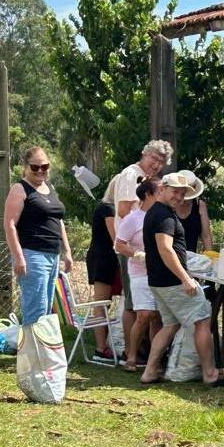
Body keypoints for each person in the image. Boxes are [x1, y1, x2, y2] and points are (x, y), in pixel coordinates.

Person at [139, 172, 224, 387]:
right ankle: (210, 373)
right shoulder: (164, 216)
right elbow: (166, 250)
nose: (179, 197)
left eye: (182, 193)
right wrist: (186, 278)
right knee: (202, 320)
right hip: (173, 282)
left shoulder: (155, 212)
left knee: (170, 325)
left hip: (159, 281)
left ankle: (149, 372)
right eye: (175, 192)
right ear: (162, 189)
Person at [111, 140, 172, 358]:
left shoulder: (149, 179)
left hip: (146, 248)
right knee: (132, 304)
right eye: (153, 158)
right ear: (144, 154)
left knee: (149, 306)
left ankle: (147, 352)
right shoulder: (132, 174)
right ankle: (130, 352)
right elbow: (124, 209)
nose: (156, 164)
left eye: (161, 162)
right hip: (131, 247)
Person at [3, 146, 74, 326]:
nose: (40, 170)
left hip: (52, 255)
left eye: (45, 166)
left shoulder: (49, 187)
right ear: (25, 167)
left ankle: (38, 344)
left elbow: (58, 221)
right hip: (32, 254)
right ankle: (31, 344)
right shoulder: (20, 189)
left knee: (47, 309)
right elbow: (9, 225)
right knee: (36, 310)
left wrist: (66, 251)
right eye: (35, 167)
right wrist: (19, 257)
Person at [114, 177, 162, 372]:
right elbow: (119, 245)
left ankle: (154, 361)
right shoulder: (133, 218)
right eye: (159, 191)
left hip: (159, 273)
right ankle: (131, 357)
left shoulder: (163, 216)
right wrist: (137, 255)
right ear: (148, 194)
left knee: (157, 317)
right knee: (143, 315)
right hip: (140, 273)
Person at [84, 177, 122, 362]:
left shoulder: (109, 207)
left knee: (104, 304)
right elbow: (116, 237)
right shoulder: (108, 208)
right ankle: (100, 349)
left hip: (107, 259)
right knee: (101, 304)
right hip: (103, 259)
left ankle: (105, 345)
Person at [172, 169, 213, 253]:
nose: (182, 201)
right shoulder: (169, 205)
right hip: (169, 255)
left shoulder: (200, 205)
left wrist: (210, 256)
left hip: (192, 256)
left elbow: (206, 236)